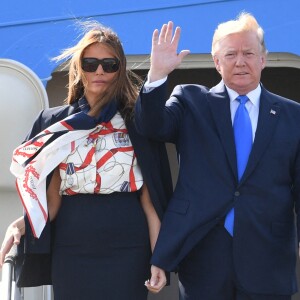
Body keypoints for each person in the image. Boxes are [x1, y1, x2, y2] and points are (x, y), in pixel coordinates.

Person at [0, 21, 173, 299]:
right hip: (71, 248)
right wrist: (18, 225)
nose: (100, 71)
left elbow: (149, 202)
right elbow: (51, 202)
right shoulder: (57, 124)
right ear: (79, 67)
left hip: (128, 248)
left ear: (120, 69)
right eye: (90, 63)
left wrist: (160, 258)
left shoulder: (137, 123)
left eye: (109, 64)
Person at [135, 13, 300, 300]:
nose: (240, 61)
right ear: (216, 62)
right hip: (204, 255)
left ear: (263, 59)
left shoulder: (293, 115)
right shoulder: (190, 101)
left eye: (249, 53)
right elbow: (152, 126)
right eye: (231, 54)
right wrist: (157, 76)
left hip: (268, 256)